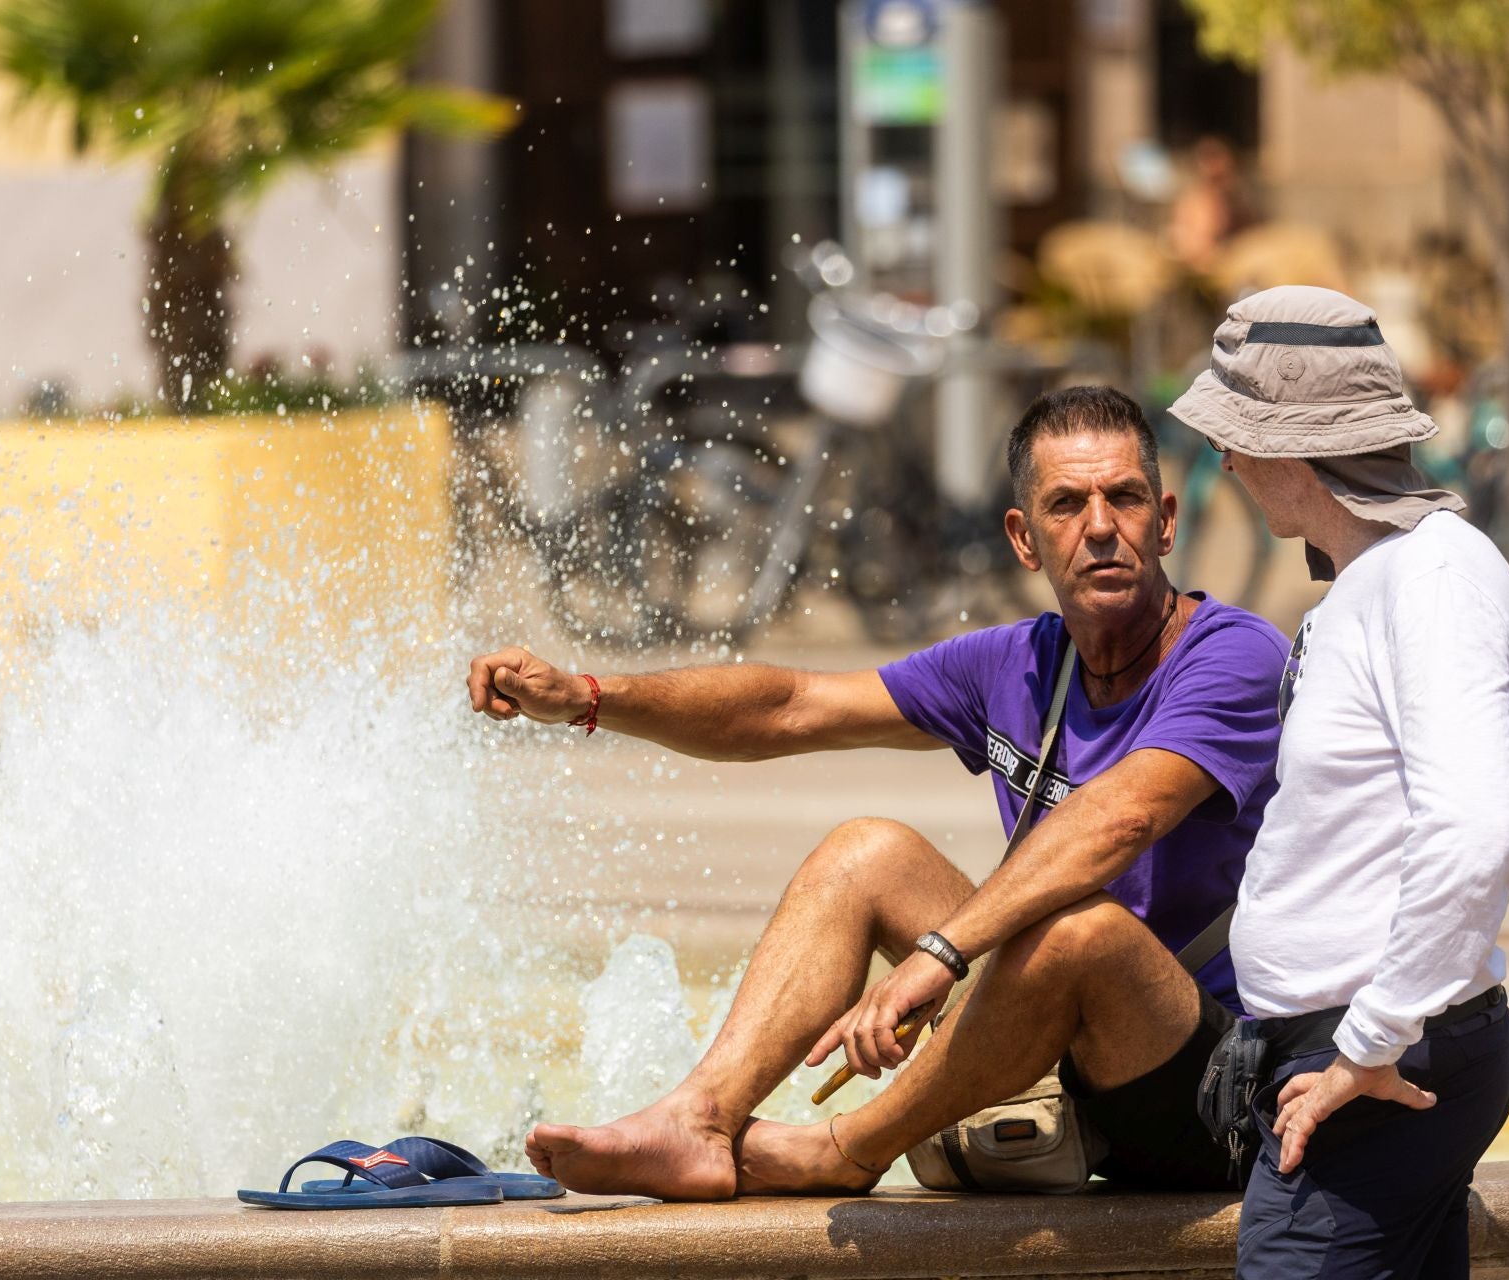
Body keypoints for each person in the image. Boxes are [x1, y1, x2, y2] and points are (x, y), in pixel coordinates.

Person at [467, 385, 1288, 1200]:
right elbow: (791, 706)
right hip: (1059, 1052)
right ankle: (699, 1121)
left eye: (1126, 498)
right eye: (1067, 504)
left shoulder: (1233, 656)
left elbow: (1121, 817)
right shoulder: (1016, 663)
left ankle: (849, 1148)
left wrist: (939, 955)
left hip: (1206, 1090)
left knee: (1083, 933)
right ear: (1025, 539)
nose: (1101, 527)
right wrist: (590, 697)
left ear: (1167, 521)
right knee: (867, 852)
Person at [1170, 286, 1509, 1278]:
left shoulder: (1428, 582)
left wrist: (1369, 1041)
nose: (1228, 464)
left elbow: (1471, 824)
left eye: (1231, 439)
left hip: (1377, 1064)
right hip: (1358, 1052)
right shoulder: (1379, 578)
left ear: (1289, 449)